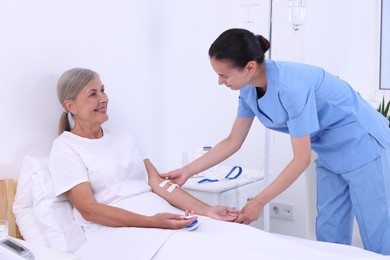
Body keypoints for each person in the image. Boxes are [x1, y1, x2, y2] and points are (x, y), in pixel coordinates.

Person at [160, 28, 390, 255]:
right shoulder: (248, 89)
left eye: (224, 75)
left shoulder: (292, 87)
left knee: (376, 229)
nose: (220, 82)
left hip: (362, 142)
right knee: (329, 232)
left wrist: (258, 202)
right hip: (329, 149)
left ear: (249, 67)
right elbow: (233, 141)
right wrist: (186, 171)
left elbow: (301, 160)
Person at [48, 68, 239, 241]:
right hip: (119, 230)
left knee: (231, 239)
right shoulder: (66, 147)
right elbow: (89, 210)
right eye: (93, 94)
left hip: (161, 217)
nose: (103, 98)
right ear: (70, 106)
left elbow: (158, 182)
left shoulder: (123, 135)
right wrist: (152, 221)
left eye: (103, 90)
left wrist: (207, 210)